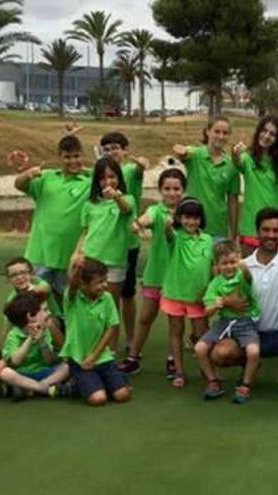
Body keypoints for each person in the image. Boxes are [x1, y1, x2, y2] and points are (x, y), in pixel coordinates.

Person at [210, 206, 278, 396]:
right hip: (249, 333)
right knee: (219, 354)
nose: (271, 235)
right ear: (257, 232)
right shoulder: (242, 266)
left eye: (276, 231)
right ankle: (251, 364)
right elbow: (213, 291)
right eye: (266, 230)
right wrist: (226, 301)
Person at [118, 168, 187, 374]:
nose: (172, 193)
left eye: (176, 188)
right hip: (155, 274)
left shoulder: (188, 214)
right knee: (146, 317)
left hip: (178, 277)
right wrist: (139, 224)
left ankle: (173, 359)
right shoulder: (156, 211)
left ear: (183, 190)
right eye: (167, 188)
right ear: (160, 190)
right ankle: (133, 357)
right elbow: (143, 220)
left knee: (175, 322)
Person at [13, 135, 90, 301]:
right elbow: (19, 184)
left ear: (82, 155)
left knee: (68, 304)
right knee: (33, 304)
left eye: (76, 156)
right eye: (67, 157)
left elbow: (111, 175)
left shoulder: (90, 180)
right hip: (39, 255)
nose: (72, 161)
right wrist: (28, 174)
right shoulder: (46, 177)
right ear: (60, 157)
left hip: (68, 258)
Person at [75, 156, 134, 346]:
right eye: (102, 178)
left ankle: (110, 352)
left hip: (114, 262)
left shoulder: (127, 199)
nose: (107, 181)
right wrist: (78, 253)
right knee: (89, 306)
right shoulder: (89, 204)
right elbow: (85, 231)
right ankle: (90, 346)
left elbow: (126, 210)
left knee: (110, 308)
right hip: (91, 260)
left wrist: (116, 196)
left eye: (112, 176)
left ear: (119, 178)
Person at [100, 132, 149, 355]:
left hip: (128, 244)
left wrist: (140, 163)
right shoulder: (100, 175)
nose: (111, 152)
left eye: (115, 148)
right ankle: (106, 340)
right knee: (105, 296)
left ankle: (130, 339)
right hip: (104, 245)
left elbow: (140, 169)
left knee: (127, 295)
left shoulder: (129, 171)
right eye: (107, 148)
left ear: (125, 150)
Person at [195, 241, 261, 404]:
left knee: (253, 352)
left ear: (238, 260)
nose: (229, 267)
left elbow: (246, 274)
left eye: (233, 262)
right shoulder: (216, 282)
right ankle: (213, 381)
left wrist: (242, 263)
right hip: (224, 322)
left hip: (245, 322)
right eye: (224, 263)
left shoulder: (242, 276)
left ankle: (245, 385)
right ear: (217, 265)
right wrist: (218, 304)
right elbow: (207, 310)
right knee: (199, 348)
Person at [61, 256, 131, 406]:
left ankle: (107, 381)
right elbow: (73, 285)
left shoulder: (106, 298)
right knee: (98, 399)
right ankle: (76, 384)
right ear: (83, 284)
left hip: (101, 357)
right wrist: (78, 269)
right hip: (80, 359)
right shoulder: (73, 299)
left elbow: (111, 328)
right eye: (99, 282)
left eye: (105, 280)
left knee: (122, 395)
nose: (105, 285)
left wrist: (94, 356)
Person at [160, 197, 214, 388]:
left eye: (196, 218)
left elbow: (212, 267)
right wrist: (168, 224)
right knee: (176, 332)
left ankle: (206, 369)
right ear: (179, 219)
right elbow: (168, 233)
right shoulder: (175, 236)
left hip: (198, 298)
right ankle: (179, 371)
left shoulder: (208, 240)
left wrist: (209, 292)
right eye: (187, 218)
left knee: (202, 335)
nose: (191, 222)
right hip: (174, 294)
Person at [231, 115, 278, 254]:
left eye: (272, 134)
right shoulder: (248, 158)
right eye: (264, 131)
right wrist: (235, 154)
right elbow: (238, 163)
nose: (266, 136)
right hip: (251, 230)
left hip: (275, 232)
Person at [172, 115, 240, 240]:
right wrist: (180, 151)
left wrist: (234, 235)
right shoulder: (195, 155)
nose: (221, 136)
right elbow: (181, 152)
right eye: (217, 131)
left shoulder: (232, 165)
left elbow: (233, 202)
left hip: (218, 228)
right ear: (208, 132)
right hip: (192, 226)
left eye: (225, 133)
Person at [0, 292, 72, 400]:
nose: (49, 313)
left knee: (67, 367)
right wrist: (30, 339)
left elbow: (49, 361)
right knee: (5, 373)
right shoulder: (14, 335)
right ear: (30, 316)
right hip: (22, 374)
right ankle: (44, 389)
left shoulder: (45, 331)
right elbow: (15, 361)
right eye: (44, 310)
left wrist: (41, 341)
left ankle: (31, 388)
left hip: (44, 372)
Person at [1, 257, 63, 347]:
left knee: (48, 322)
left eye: (23, 273)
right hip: (28, 324)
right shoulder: (11, 299)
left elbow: (45, 289)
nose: (19, 277)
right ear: (8, 279)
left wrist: (30, 292)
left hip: (54, 319)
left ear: (32, 274)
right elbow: (7, 326)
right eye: (14, 275)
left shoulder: (38, 283)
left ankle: (62, 353)